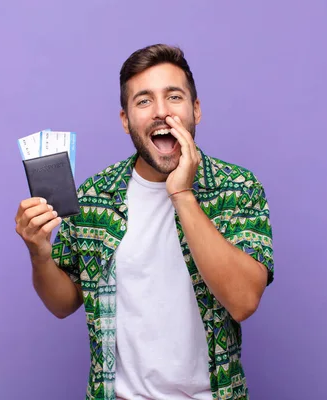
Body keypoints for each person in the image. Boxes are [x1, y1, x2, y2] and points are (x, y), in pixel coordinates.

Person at [15, 44, 274, 400]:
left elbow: (243, 301)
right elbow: (63, 304)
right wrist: (39, 254)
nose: (162, 113)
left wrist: (182, 194)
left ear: (195, 110)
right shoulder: (95, 196)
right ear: (125, 121)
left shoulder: (237, 188)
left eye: (174, 97)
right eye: (144, 101)